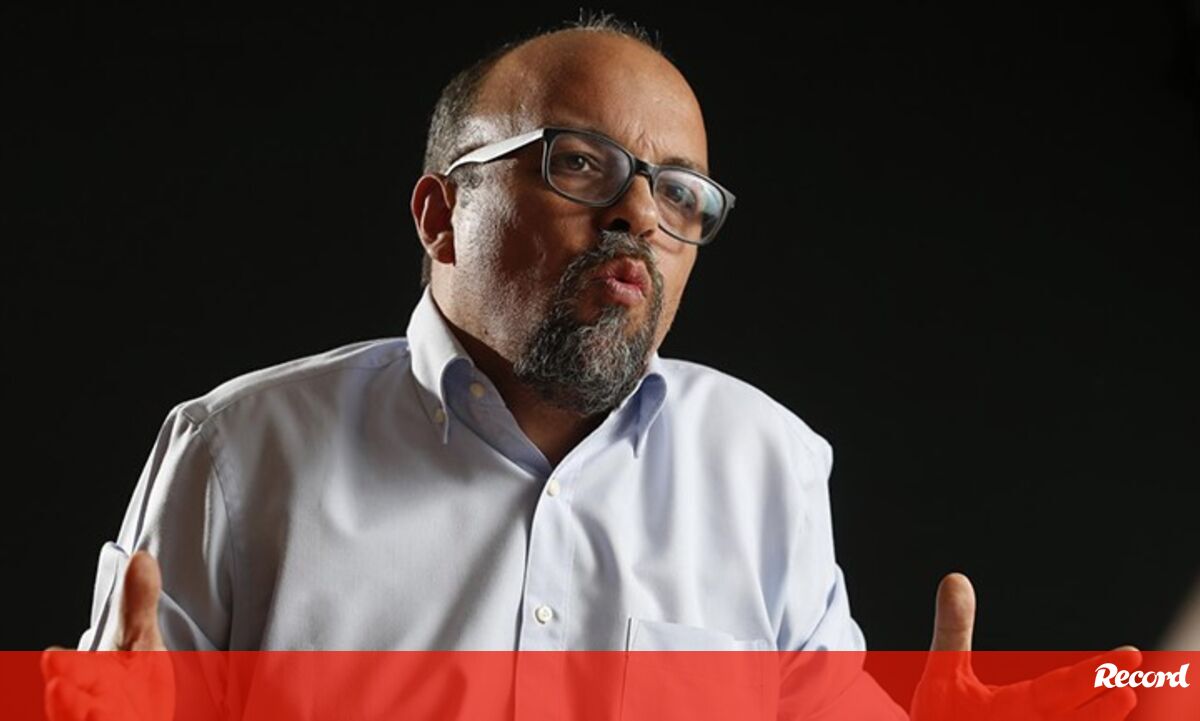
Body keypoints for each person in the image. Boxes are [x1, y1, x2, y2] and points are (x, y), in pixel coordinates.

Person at [42, 15, 1142, 721]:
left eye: (680, 193)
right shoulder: (238, 452)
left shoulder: (768, 462)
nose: (638, 213)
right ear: (441, 214)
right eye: (579, 162)